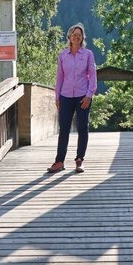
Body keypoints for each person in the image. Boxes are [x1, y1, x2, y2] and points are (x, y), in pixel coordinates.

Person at [48, 23, 97, 173]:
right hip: (66, 96)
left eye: (79, 35)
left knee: (83, 128)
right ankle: (59, 162)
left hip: (83, 96)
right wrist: (57, 97)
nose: (76, 37)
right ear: (69, 37)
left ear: (82, 38)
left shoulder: (88, 54)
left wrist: (89, 95)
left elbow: (93, 76)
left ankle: (80, 160)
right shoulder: (62, 55)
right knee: (64, 130)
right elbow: (59, 78)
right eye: (74, 35)